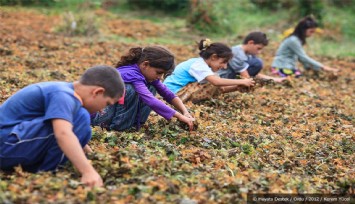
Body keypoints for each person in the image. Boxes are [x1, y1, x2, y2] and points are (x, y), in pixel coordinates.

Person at [0, 65, 125, 187]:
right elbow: (63, 133)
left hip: (11, 144)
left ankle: (42, 169)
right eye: (107, 103)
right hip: (5, 146)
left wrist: (92, 157)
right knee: (81, 117)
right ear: (97, 92)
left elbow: (75, 133)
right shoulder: (63, 95)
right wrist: (88, 171)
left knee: (81, 120)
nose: (102, 110)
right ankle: (46, 174)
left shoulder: (64, 90)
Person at [91, 46, 195, 132]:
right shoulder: (131, 74)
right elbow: (151, 100)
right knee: (130, 90)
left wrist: (184, 112)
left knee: (151, 87)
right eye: (159, 72)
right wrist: (179, 116)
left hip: (111, 113)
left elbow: (168, 94)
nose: (160, 77)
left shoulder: (146, 74)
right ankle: (118, 128)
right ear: (145, 64)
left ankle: (135, 124)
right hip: (99, 117)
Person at [163, 39, 255, 103]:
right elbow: (216, 82)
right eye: (223, 62)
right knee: (214, 80)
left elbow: (219, 88)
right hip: (172, 94)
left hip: (176, 93)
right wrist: (242, 81)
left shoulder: (204, 66)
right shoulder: (198, 64)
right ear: (214, 57)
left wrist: (236, 87)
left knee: (214, 80)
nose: (225, 66)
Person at [271, 16, 339, 77]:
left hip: (287, 66)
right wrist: (323, 67)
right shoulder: (293, 40)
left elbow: (301, 59)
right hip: (281, 67)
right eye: (311, 31)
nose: (312, 34)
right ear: (303, 30)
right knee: (299, 78)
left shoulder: (297, 40)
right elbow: (303, 57)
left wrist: (310, 67)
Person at [218, 31, 285, 83]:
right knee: (257, 63)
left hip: (233, 76)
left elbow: (254, 74)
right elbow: (246, 76)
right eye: (258, 48)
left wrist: (275, 80)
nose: (259, 52)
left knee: (256, 61)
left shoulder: (248, 54)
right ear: (250, 43)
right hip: (224, 77)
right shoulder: (237, 53)